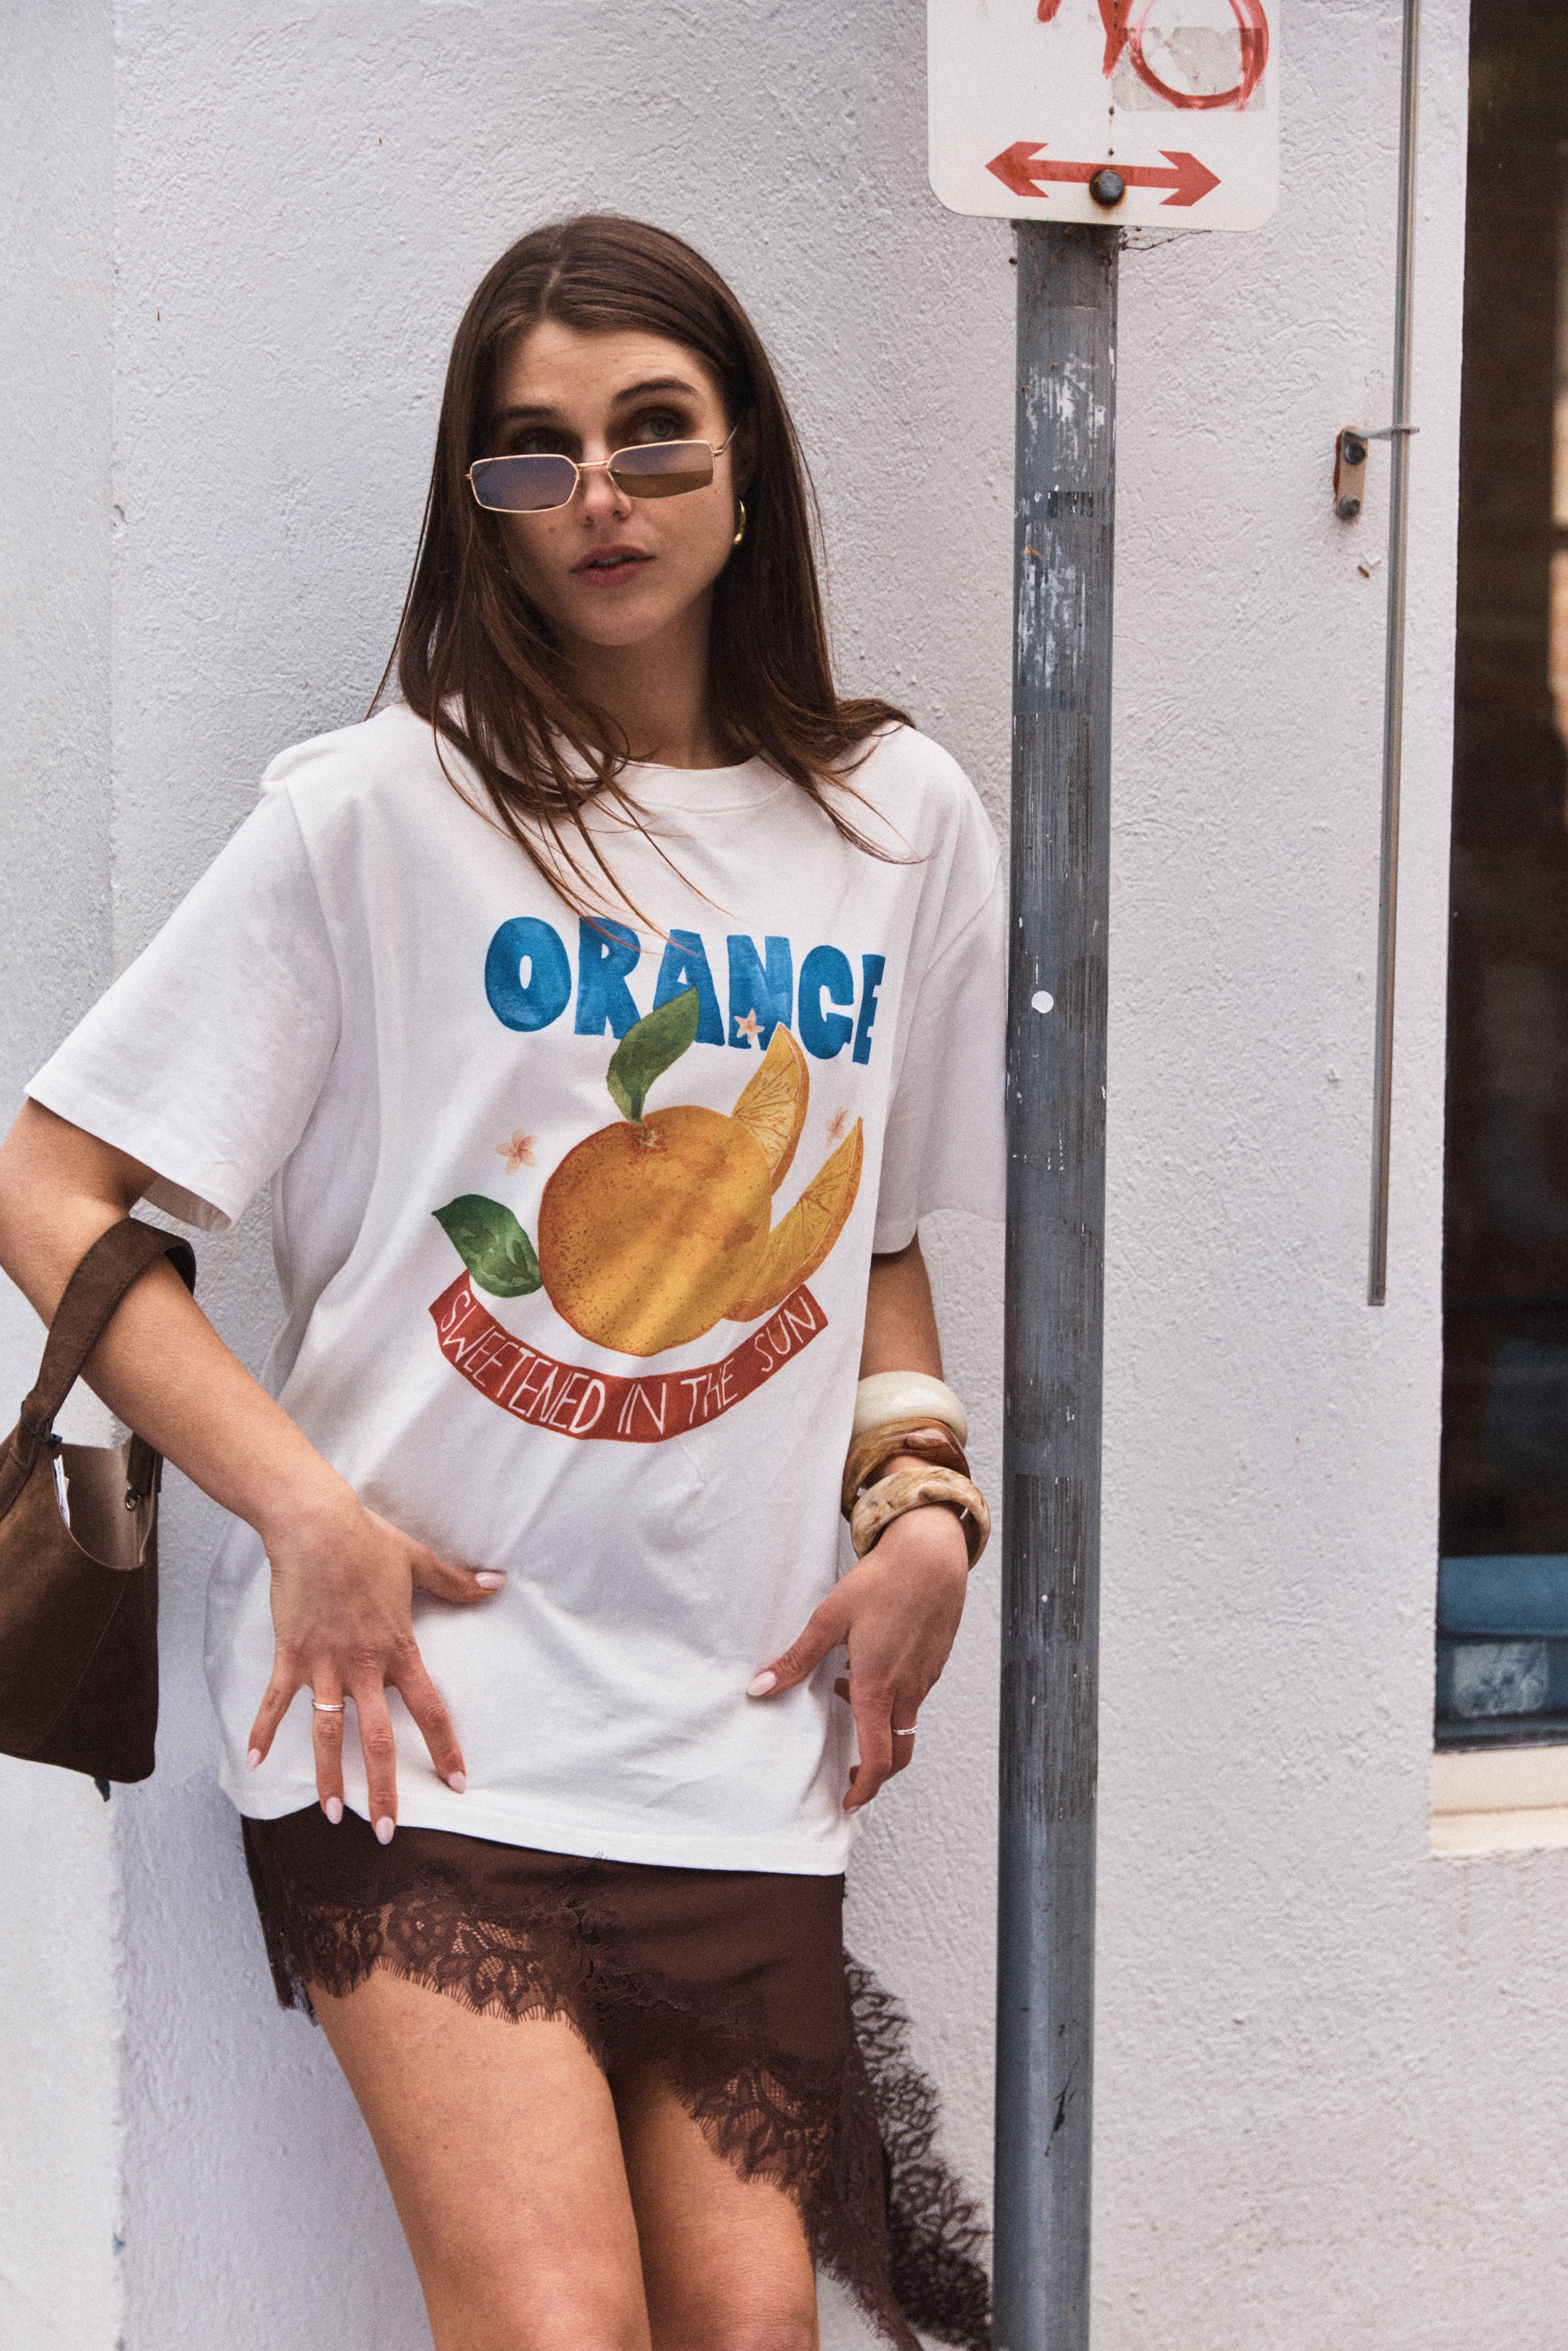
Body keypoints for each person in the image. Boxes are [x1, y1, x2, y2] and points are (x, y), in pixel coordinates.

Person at [0, 216, 1005, 2351]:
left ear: (749, 464)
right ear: (483, 505)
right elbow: (49, 1177)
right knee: (557, 2325)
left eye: (655, 435)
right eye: (533, 456)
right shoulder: (382, 813)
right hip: (417, 1725)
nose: (600, 497)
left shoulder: (899, 821)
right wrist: (303, 1507)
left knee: (754, 2330)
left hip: (736, 1735)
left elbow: (873, 1234)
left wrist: (925, 1501)